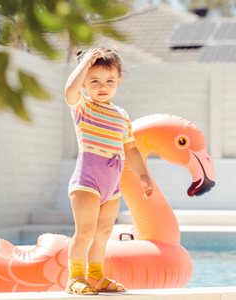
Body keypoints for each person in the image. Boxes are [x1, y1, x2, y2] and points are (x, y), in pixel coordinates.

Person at [64, 47, 154, 295]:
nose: (102, 86)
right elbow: (69, 91)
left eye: (109, 81)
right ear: (84, 83)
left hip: (112, 186)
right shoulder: (84, 107)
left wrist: (144, 175)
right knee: (85, 231)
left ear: (118, 82)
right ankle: (75, 277)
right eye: (94, 81)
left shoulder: (122, 116)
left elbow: (131, 149)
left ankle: (96, 276)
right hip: (87, 182)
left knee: (103, 232)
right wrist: (83, 65)